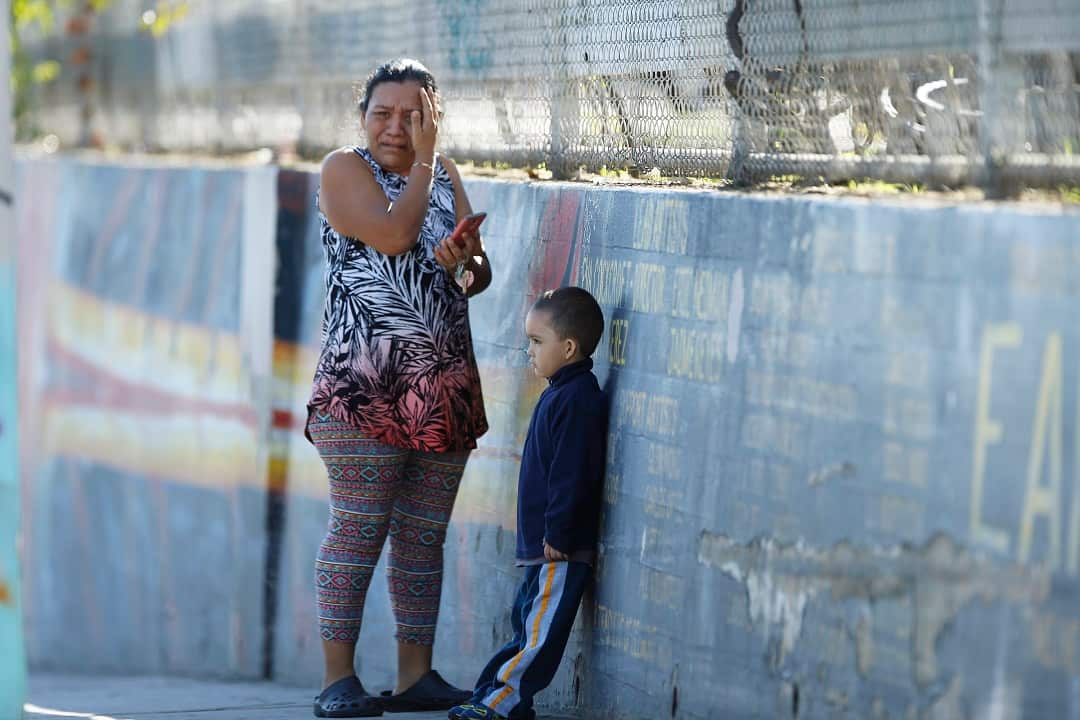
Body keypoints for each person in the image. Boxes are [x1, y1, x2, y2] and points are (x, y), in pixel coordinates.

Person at [307, 58, 491, 718]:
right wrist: (425, 162)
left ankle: (416, 678)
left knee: (422, 539)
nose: (394, 126)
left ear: (432, 117)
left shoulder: (445, 176)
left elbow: (474, 272)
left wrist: (463, 262)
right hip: (364, 394)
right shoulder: (343, 170)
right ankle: (337, 681)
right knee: (357, 531)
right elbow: (392, 232)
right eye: (382, 113)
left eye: (411, 115)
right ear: (362, 117)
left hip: (441, 391)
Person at [449, 287, 609, 720]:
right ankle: (490, 695)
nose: (529, 351)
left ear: (569, 347)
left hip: (559, 547)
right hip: (543, 546)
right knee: (526, 624)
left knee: (538, 634)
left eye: (537, 342)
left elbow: (572, 474)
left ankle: (502, 702)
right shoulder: (559, 393)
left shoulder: (578, 400)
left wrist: (557, 532)